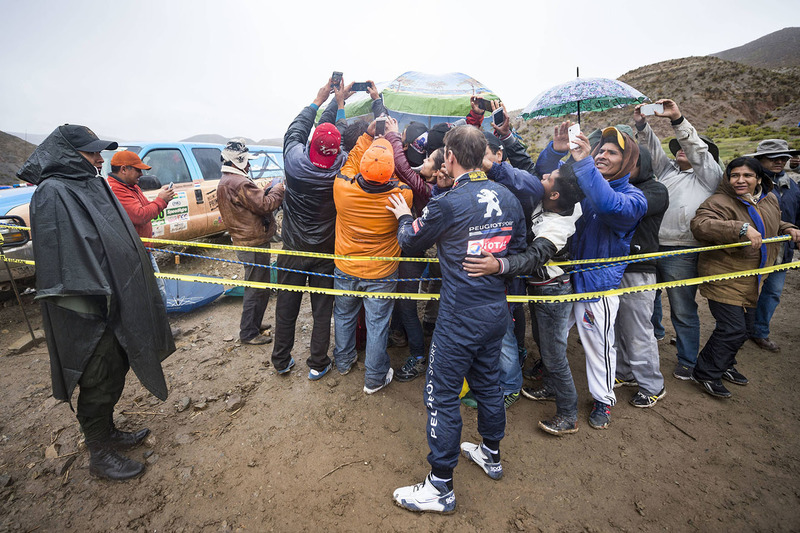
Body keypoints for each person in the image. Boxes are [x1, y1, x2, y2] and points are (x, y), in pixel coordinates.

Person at [18, 124, 175, 480]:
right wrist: (97, 305)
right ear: (69, 154)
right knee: (97, 375)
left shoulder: (87, 184)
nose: (98, 159)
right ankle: (99, 452)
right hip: (88, 310)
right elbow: (65, 260)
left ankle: (107, 432)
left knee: (115, 369)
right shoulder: (53, 193)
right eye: (91, 153)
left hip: (113, 300)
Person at [389, 125, 526, 513]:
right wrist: (497, 263)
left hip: (460, 315)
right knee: (488, 384)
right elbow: (518, 250)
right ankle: (491, 454)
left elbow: (409, 240)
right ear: (483, 155)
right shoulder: (508, 196)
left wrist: (403, 216)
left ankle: (440, 486)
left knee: (441, 394)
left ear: (449, 157)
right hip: (496, 311)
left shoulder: (447, 202)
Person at [463, 163, 585, 435]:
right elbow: (529, 172)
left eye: (549, 177)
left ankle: (568, 413)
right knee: (544, 342)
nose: (543, 176)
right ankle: (552, 387)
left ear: (554, 195)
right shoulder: (558, 201)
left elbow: (532, 258)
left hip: (553, 291)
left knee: (554, 355)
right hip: (541, 288)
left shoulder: (556, 228)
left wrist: (500, 266)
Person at [690, 157, 800, 398]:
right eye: (734, 175)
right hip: (724, 276)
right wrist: (738, 228)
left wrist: (787, 228)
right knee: (732, 328)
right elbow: (701, 225)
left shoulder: (768, 198)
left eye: (747, 176)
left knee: (746, 328)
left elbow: (767, 220)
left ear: (759, 179)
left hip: (753, 278)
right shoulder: (718, 201)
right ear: (727, 179)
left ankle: (725, 364)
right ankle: (706, 372)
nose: (740, 180)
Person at [634, 99, 722, 380]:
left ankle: (687, 359)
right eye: (678, 147)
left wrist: (678, 120)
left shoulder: (709, 178)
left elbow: (697, 150)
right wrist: (641, 124)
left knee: (683, 308)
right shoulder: (667, 173)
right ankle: (654, 340)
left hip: (682, 250)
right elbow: (652, 151)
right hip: (652, 247)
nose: (682, 150)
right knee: (647, 301)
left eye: (687, 148)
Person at [567, 127, 647, 429]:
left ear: (628, 161)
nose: (602, 154)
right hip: (569, 281)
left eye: (612, 152)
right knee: (554, 335)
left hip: (597, 288)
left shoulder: (633, 198)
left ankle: (604, 399)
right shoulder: (587, 187)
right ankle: (552, 382)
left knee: (598, 346)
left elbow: (607, 204)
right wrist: (562, 150)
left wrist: (585, 162)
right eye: (600, 150)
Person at [270, 78, 349, 379]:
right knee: (321, 311)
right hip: (325, 253)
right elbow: (338, 136)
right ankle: (317, 364)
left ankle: (281, 360)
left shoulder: (294, 162)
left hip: (291, 249)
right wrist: (339, 104)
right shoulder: (341, 169)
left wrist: (319, 99)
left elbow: (296, 130)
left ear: (311, 147)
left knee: (285, 310)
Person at [332, 127, 413, 393]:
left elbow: (351, 161)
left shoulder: (341, 189)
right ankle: (374, 378)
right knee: (378, 325)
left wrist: (368, 136)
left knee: (343, 315)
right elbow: (402, 175)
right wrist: (393, 141)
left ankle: (344, 362)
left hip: (345, 266)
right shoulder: (403, 196)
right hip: (381, 272)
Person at [613, 145, 669, 408]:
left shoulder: (655, 190)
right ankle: (624, 373)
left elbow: (626, 209)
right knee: (617, 325)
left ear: (642, 164)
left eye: (630, 163)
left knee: (638, 330)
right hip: (613, 269)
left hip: (638, 270)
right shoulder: (617, 189)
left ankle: (651, 385)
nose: (624, 168)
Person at [216, 139, 284, 346]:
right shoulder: (238, 182)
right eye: (246, 162)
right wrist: (278, 189)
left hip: (246, 240)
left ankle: (254, 324)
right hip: (252, 243)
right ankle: (248, 333)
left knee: (259, 286)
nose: (249, 165)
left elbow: (251, 204)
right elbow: (265, 205)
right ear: (238, 161)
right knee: (256, 288)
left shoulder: (227, 180)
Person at [742, 139, 800, 351]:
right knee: (745, 290)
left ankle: (760, 332)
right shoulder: (748, 184)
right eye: (774, 158)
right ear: (760, 160)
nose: (780, 161)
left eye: (783, 157)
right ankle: (736, 331)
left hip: (783, 252)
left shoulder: (793, 186)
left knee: (773, 292)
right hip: (754, 249)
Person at [107, 150, 176, 307]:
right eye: (137, 169)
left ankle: (156, 326)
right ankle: (159, 328)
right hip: (133, 251)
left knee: (154, 289)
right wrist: (161, 200)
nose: (141, 173)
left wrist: (160, 196)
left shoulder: (131, 185)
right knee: (156, 290)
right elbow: (140, 215)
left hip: (142, 248)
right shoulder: (116, 189)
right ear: (124, 169)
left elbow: (144, 207)